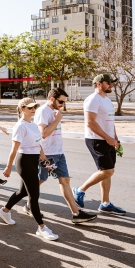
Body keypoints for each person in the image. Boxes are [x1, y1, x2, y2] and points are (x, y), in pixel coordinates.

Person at [0, 98, 59, 241]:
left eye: (34, 106)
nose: (33, 109)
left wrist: (45, 162)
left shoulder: (33, 124)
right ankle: (42, 228)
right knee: (34, 196)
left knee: (22, 191)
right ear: (22, 108)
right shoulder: (20, 126)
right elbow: (14, 149)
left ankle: (4, 211)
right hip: (24, 162)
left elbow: (38, 145)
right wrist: (7, 167)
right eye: (30, 107)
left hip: (33, 161)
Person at [32, 88, 97, 223]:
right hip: (46, 153)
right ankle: (28, 204)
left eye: (64, 102)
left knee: (65, 180)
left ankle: (76, 214)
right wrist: (57, 119)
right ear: (52, 99)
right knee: (38, 180)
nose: (62, 105)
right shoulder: (43, 111)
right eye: (61, 101)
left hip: (58, 152)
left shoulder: (55, 111)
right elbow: (42, 133)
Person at [73, 74, 126, 215]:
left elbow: (110, 121)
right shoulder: (92, 100)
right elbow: (90, 123)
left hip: (108, 139)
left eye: (111, 83)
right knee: (107, 170)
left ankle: (105, 203)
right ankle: (80, 190)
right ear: (98, 84)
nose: (111, 85)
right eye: (108, 83)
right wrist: (107, 138)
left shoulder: (107, 100)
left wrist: (115, 138)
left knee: (107, 172)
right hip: (96, 139)